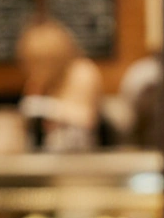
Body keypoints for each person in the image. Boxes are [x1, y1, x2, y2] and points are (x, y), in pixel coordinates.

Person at [16, 19, 103, 151]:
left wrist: (46, 106)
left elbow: (86, 118)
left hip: (84, 154)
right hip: (50, 155)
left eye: (41, 62)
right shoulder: (40, 81)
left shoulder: (82, 71)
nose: (35, 69)